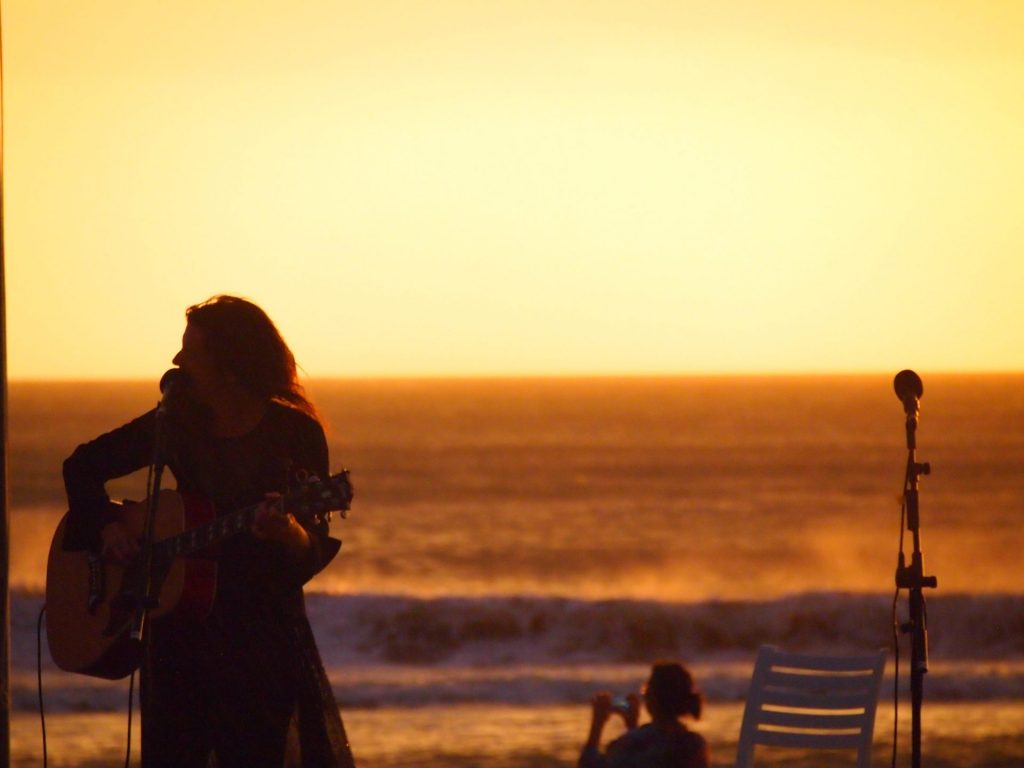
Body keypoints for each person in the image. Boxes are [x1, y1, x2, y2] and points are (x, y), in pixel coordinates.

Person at [62, 295, 356, 768]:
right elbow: (82, 466)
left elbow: (311, 550)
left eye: (190, 351)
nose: (177, 361)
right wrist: (108, 527)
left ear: (229, 367)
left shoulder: (293, 433)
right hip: (180, 636)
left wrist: (288, 532)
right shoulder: (176, 424)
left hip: (258, 639)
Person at [579, 661, 709, 768]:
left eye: (646, 689)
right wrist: (632, 727)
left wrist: (597, 724)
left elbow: (590, 765)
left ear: (653, 698)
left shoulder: (631, 744)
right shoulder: (695, 744)